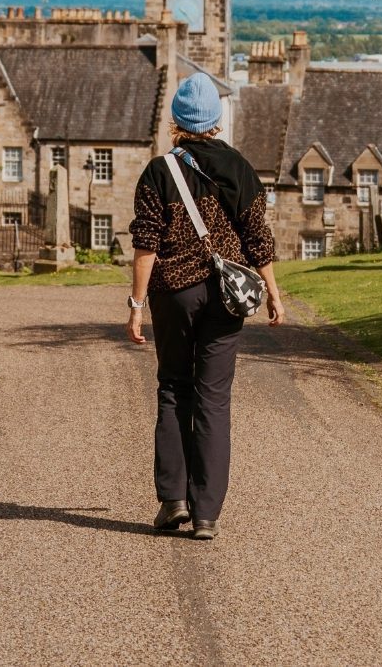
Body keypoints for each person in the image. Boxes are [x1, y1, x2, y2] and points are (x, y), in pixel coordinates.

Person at [124, 73, 283, 539]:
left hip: (173, 293)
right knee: (214, 397)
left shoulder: (159, 172)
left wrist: (136, 304)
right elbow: (258, 239)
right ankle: (207, 513)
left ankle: (173, 500)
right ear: (215, 120)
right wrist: (273, 292)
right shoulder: (240, 168)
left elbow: (146, 245)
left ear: (177, 120)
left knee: (174, 387)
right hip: (226, 296)